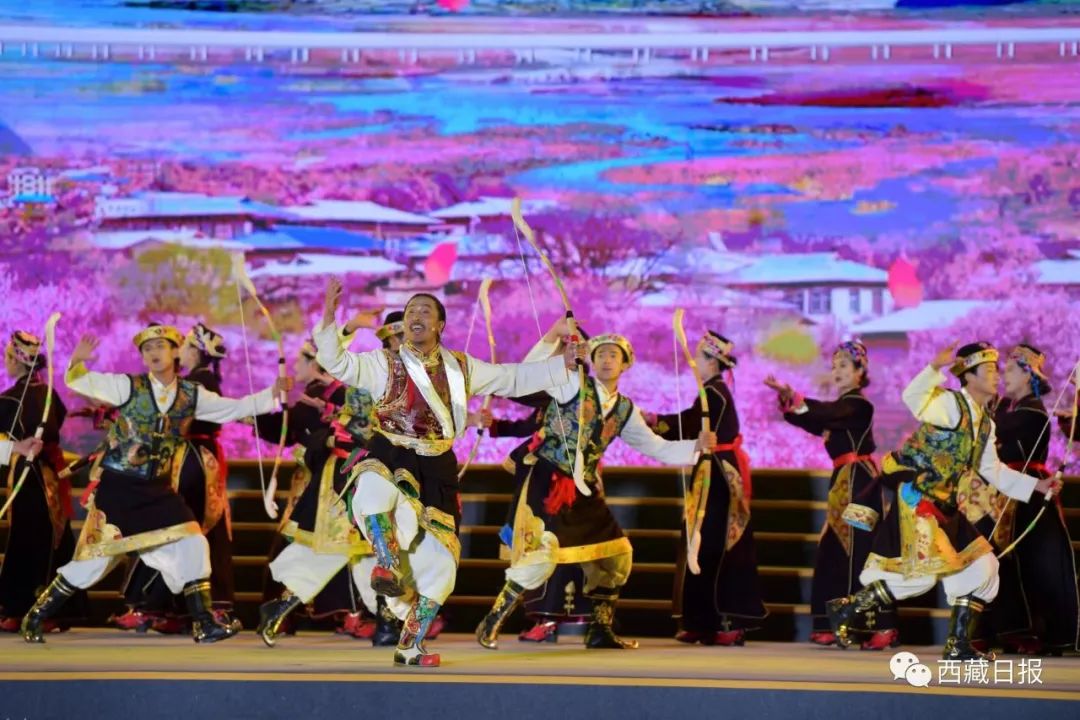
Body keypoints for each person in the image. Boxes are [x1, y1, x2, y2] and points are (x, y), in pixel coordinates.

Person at [313, 279, 584, 666]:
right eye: (411, 311)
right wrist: (329, 316)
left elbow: (511, 378)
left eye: (424, 311)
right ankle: (387, 565)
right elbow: (337, 363)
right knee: (372, 489)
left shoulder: (461, 367)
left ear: (440, 324)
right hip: (391, 450)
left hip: (437, 466)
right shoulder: (381, 363)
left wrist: (563, 364)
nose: (415, 316)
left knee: (442, 568)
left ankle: (410, 645)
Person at [20, 323, 288, 644]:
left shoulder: (191, 394)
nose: (154, 353)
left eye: (160, 346)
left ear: (175, 352)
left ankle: (204, 623)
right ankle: (35, 616)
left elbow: (233, 408)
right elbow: (78, 380)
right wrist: (76, 362)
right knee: (93, 563)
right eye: (147, 349)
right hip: (120, 488)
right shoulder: (127, 386)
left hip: (158, 490)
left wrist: (272, 394)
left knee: (193, 542)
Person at [475, 320, 715, 652]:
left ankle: (600, 630)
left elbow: (655, 447)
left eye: (614, 355)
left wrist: (696, 447)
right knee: (542, 556)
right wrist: (553, 335)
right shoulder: (571, 383)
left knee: (617, 553)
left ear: (625, 364)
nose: (606, 360)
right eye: (600, 354)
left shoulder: (625, 409)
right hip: (548, 480)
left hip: (584, 487)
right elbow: (529, 374)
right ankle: (492, 621)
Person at [826, 342, 1060, 661]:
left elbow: (992, 470)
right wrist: (935, 368)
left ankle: (957, 644)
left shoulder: (985, 423)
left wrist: (1038, 486)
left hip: (946, 508)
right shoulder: (951, 405)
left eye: (996, 370)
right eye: (988, 370)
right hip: (919, 502)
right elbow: (914, 398)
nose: (996, 376)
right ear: (969, 376)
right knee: (919, 577)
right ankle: (849, 609)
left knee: (984, 566)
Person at [765, 340, 895, 650]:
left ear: (860, 372)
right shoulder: (838, 411)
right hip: (843, 484)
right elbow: (812, 419)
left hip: (861, 486)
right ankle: (830, 622)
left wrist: (796, 396)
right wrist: (788, 400)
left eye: (844, 366)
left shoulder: (859, 405)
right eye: (834, 366)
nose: (837, 371)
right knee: (833, 551)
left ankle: (880, 625)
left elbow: (826, 412)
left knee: (862, 552)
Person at [112, 323, 236, 633]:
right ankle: (170, 607)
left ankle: (158, 605)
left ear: (194, 351)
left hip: (192, 462)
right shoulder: (198, 380)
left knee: (173, 527)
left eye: (185, 347)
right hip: (192, 458)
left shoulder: (197, 383)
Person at [654, 331, 766, 647]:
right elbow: (692, 423)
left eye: (699, 357)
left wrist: (653, 421)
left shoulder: (714, 393)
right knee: (701, 543)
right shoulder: (712, 391)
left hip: (719, 476)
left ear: (713, 362)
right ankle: (701, 621)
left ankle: (725, 620)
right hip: (711, 471)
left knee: (717, 544)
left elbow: (690, 424)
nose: (694, 362)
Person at [984, 344, 1078, 655]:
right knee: (1009, 562)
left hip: (1031, 494)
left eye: (1011, 370)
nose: (1004, 376)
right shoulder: (1012, 409)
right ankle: (1012, 631)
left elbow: (994, 432)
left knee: (1035, 565)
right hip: (1009, 490)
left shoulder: (1032, 412)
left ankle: (1040, 632)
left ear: (1028, 375)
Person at [0, 330, 86, 632]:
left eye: (7, 356)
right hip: (46, 472)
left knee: (29, 538)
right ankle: (51, 609)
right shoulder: (49, 394)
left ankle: (25, 608)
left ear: (17, 361)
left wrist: (16, 447)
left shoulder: (11, 399)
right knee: (50, 537)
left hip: (31, 474)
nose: (6, 362)